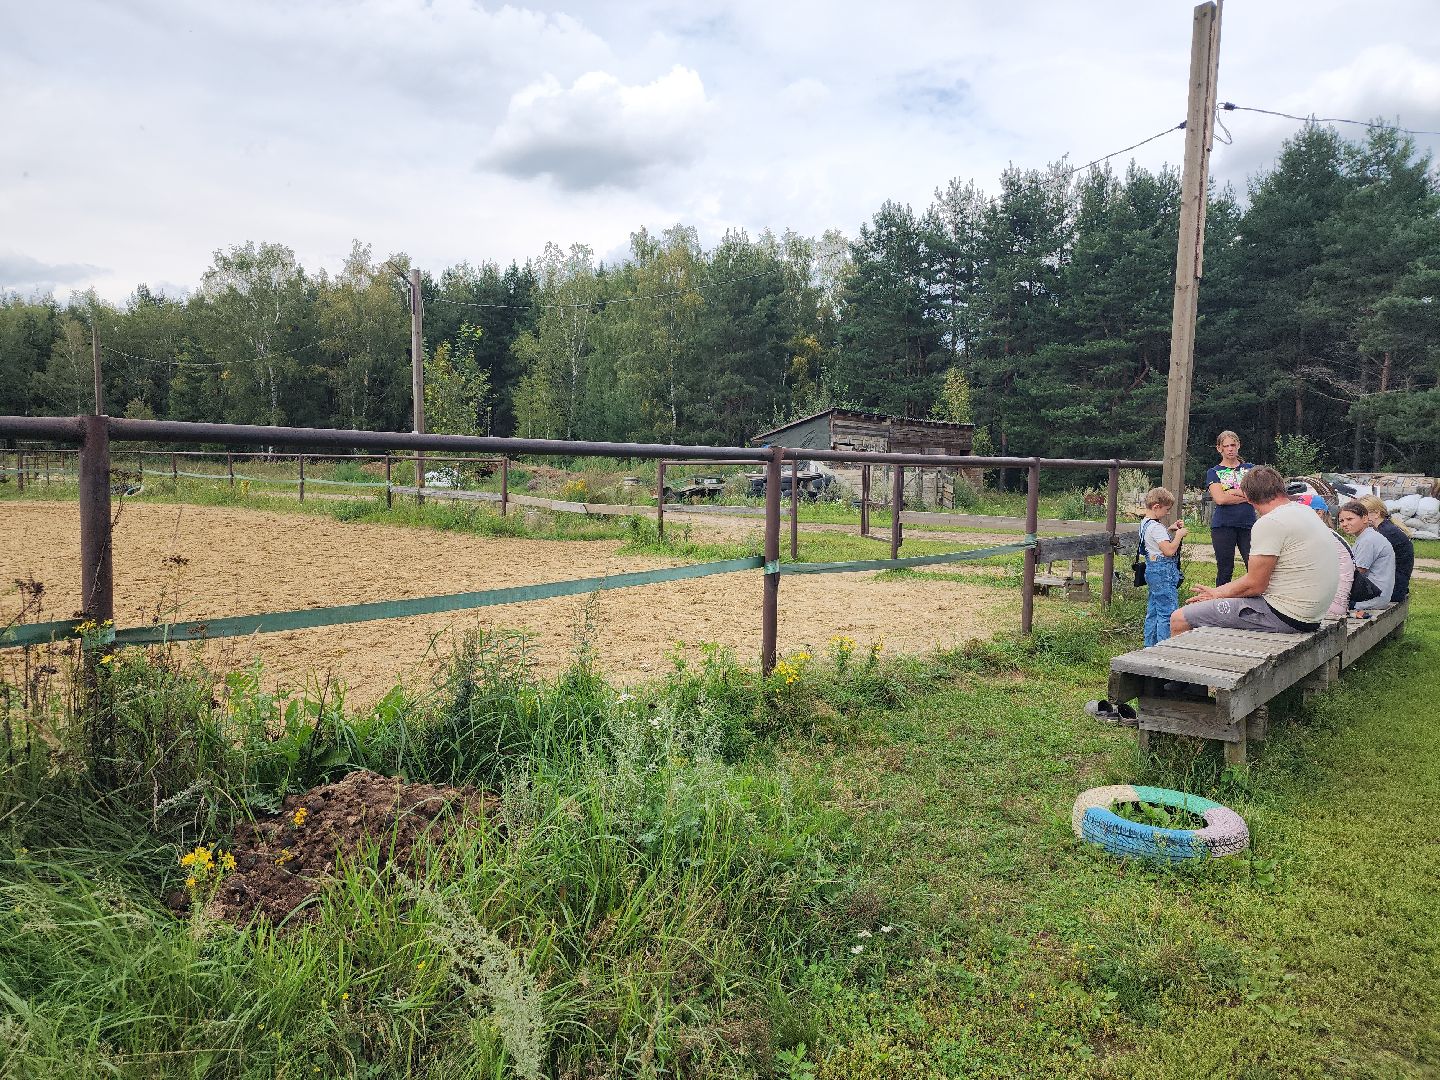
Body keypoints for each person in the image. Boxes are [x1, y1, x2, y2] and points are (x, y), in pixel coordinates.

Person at [1172, 465, 1338, 636]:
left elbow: (1255, 585)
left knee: (1180, 618)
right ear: (1281, 488)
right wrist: (1221, 593)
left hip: (1286, 615)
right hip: (1312, 615)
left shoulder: (1271, 522)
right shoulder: (1305, 511)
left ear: (1249, 499)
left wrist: (1217, 593)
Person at [1206, 431, 1256, 587]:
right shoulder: (1214, 472)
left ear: (1238, 445)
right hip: (1223, 526)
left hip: (1248, 525)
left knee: (1254, 566)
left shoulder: (1250, 469)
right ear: (1219, 448)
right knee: (1225, 569)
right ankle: (1220, 604)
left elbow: (1256, 494)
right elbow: (1220, 499)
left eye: (1233, 445)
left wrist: (1232, 492)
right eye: (1226, 446)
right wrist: (1245, 496)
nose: (1230, 449)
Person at [1138, 487, 1187, 646]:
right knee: (1168, 613)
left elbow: (1154, 542)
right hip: (1163, 573)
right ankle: (1165, 648)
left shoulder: (1145, 523)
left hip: (1151, 569)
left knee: (1153, 612)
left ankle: (1149, 646)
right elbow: (1169, 551)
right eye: (1167, 510)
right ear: (1156, 507)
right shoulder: (1157, 527)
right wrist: (1178, 536)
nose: (1167, 513)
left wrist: (1169, 530)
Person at [1294, 492, 1352, 619]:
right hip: (1338, 601)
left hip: (1328, 605)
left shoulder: (1318, 537)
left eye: (1300, 512)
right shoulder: (1327, 534)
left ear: (1319, 513)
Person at [1337, 500, 1394, 611]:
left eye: (1350, 519)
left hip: (1372, 598)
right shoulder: (1366, 536)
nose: (1344, 524)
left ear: (1364, 518)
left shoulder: (1368, 540)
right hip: (1374, 594)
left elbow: (1355, 572)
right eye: (1341, 521)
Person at [1357, 494, 1414, 604]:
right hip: (1396, 586)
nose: (1360, 518)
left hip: (1390, 590)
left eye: (1363, 514)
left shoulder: (1384, 534)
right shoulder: (1388, 528)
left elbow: (1362, 567)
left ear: (1377, 513)